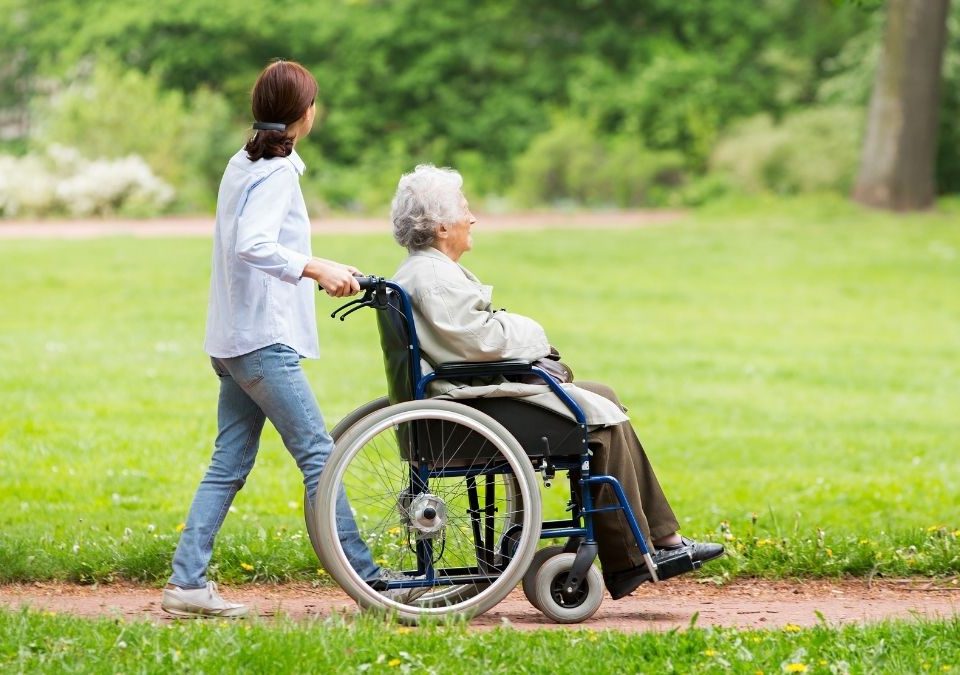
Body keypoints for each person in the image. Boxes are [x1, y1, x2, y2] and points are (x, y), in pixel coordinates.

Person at [388, 165, 724, 600]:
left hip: (466, 399)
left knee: (602, 397)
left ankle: (657, 540)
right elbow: (481, 340)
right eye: (465, 210)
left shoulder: (423, 272)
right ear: (441, 226)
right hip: (470, 410)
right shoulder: (432, 278)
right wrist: (533, 332)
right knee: (599, 419)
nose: (473, 219)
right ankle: (640, 553)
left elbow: (470, 339)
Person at [162, 60, 383, 618]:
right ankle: (375, 583)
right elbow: (252, 245)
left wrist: (323, 264)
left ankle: (187, 584)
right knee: (321, 458)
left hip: (233, 340)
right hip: (260, 344)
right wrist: (314, 267)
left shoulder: (243, 163)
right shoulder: (276, 173)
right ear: (305, 113)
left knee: (229, 461)